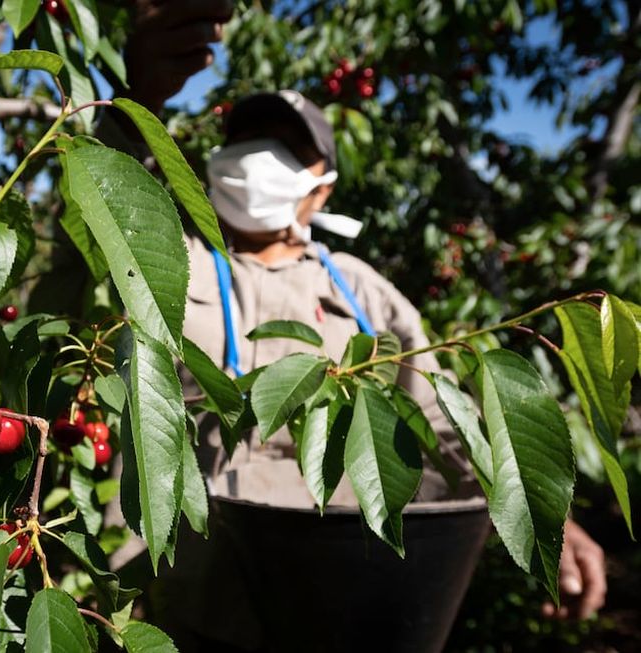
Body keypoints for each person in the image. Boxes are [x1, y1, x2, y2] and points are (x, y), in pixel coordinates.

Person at [100, 0, 607, 646]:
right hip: (190, 609)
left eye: (288, 150)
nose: (259, 160)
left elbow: (445, 426)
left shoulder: (366, 293)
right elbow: (91, 231)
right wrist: (133, 105)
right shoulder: (165, 260)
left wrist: (542, 514)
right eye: (248, 141)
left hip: (340, 607)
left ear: (323, 187)